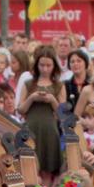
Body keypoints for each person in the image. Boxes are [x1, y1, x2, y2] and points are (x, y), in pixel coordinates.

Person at [18, 46, 64, 180]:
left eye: (48, 65)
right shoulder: (29, 84)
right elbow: (20, 109)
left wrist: (52, 100)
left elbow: (63, 114)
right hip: (31, 128)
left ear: (54, 66)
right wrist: (32, 98)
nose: (45, 69)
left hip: (50, 130)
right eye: (42, 65)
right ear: (37, 65)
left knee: (48, 168)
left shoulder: (58, 86)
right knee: (30, 167)